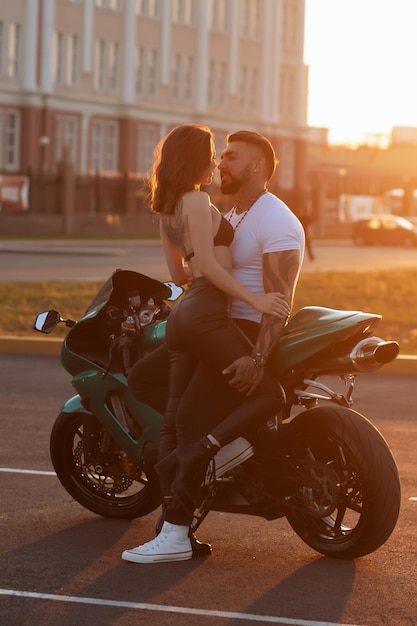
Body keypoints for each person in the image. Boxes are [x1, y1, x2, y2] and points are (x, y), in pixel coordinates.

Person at [123, 127, 305, 564]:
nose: (220, 163)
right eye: (218, 156)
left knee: (185, 420)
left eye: (231, 157)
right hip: (208, 321)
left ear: (258, 165)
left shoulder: (277, 221)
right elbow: (198, 265)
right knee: (144, 382)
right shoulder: (230, 212)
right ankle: (219, 450)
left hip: (238, 330)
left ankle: (178, 528)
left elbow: (280, 297)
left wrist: (259, 357)